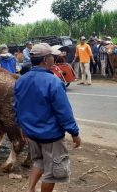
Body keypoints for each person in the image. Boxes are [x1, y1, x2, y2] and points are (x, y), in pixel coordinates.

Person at [14, 43, 81, 192]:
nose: (55, 58)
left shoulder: (21, 80)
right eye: (52, 56)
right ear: (46, 59)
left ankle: (30, 189)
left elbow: (17, 107)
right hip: (51, 136)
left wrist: (21, 127)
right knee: (52, 173)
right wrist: (74, 133)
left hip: (31, 133)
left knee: (38, 162)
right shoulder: (53, 81)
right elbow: (64, 112)